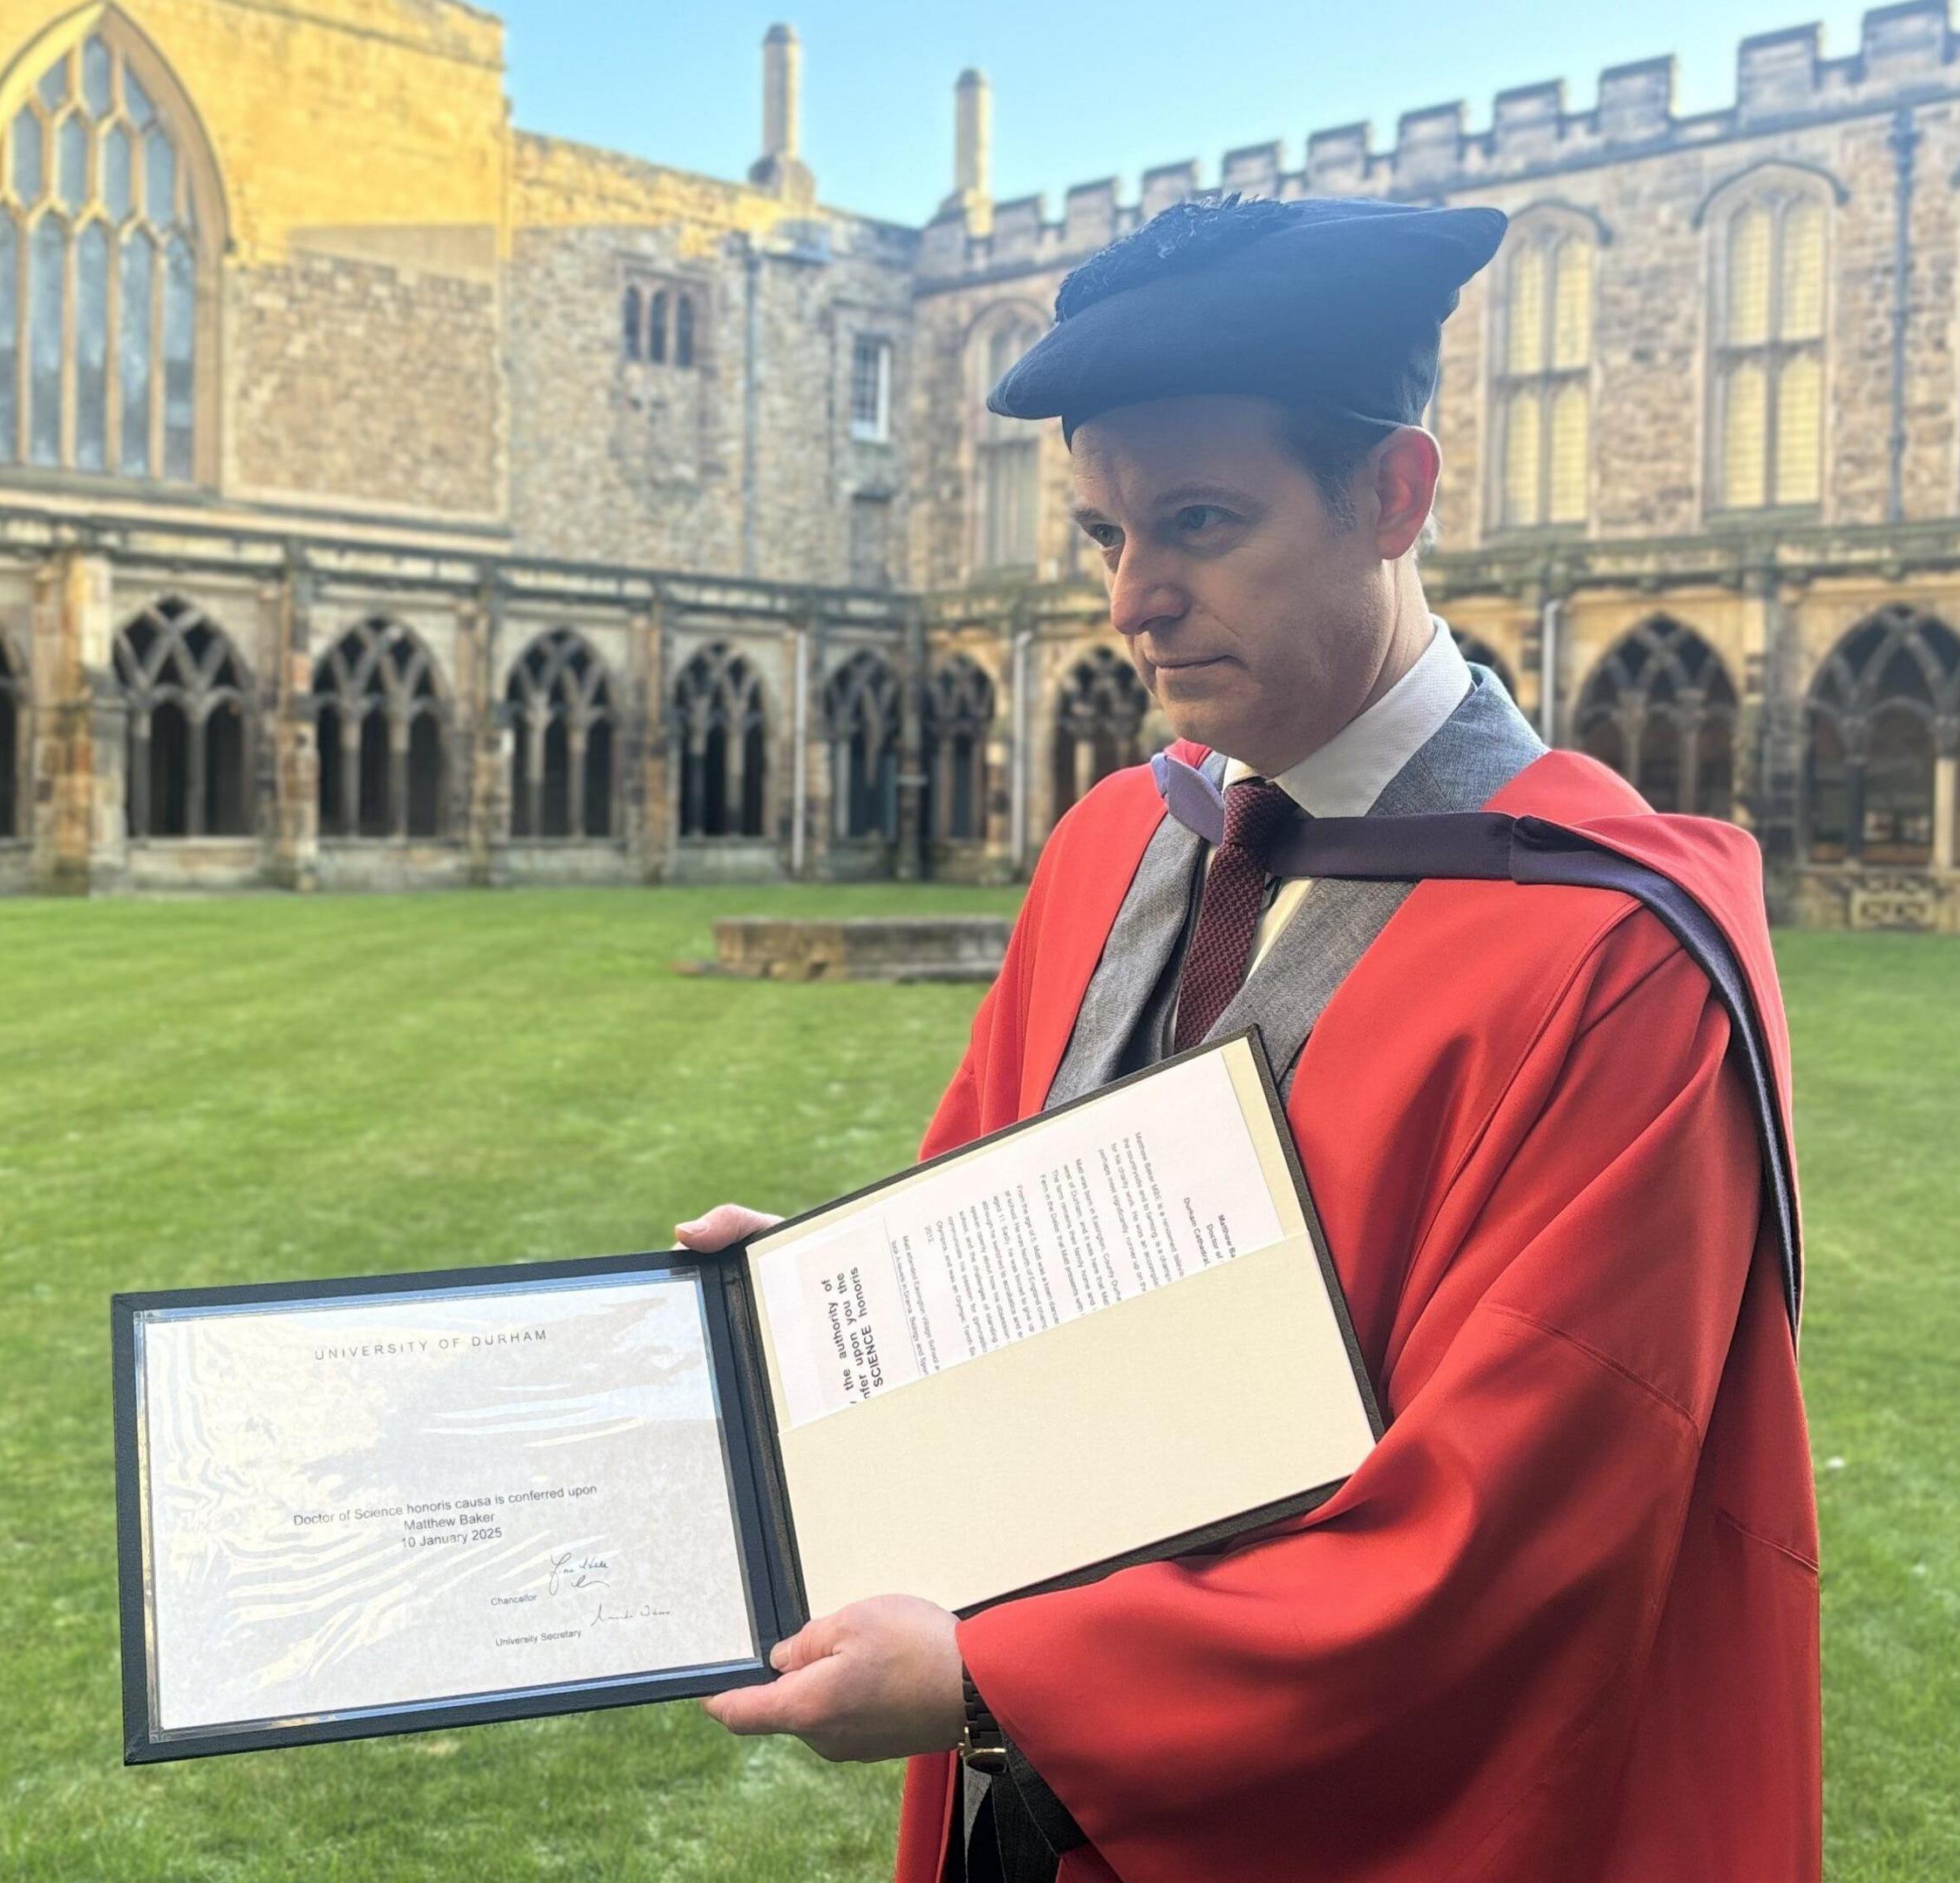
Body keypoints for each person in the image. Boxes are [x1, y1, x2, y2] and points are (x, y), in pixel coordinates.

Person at [676, 194, 1820, 1883]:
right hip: (1031, 1817)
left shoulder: (1612, 959)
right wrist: (832, 1312)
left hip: (1333, 1830)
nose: (1136, 601)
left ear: (1392, 495)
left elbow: (1513, 1534)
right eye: (1103, 538)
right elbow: (997, 1258)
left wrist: (1003, 1677)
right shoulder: (1114, 853)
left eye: (1199, 522)